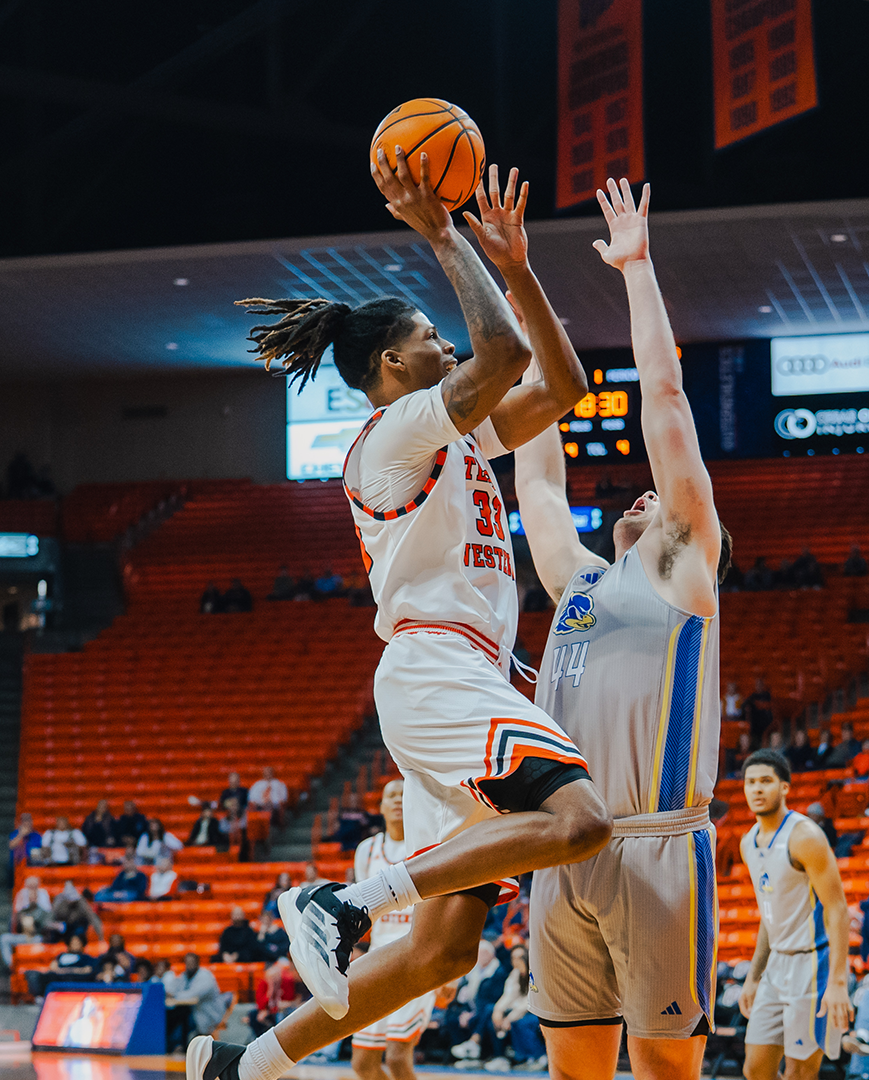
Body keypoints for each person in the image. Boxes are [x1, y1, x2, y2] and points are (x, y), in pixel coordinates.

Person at [192, 162, 612, 1080]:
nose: (449, 348)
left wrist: (520, 269)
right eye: (431, 338)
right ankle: (344, 901)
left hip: (463, 678)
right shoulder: (394, 436)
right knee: (582, 823)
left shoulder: (453, 434)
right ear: (393, 366)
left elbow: (562, 386)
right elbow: (500, 357)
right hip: (438, 672)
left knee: (443, 953)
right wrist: (443, 237)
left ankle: (244, 1065)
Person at [514, 180, 733, 1080]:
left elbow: (667, 405)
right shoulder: (577, 582)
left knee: (664, 1071)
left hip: (655, 844)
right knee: (574, 1071)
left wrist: (637, 270)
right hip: (562, 846)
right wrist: (518, 286)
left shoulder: (682, 569)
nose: (643, 494)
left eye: (658, 494)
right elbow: (537, 477)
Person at [738, 750, 854, 1080]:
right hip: (776, 965)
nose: (757, 789)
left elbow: (838, 909)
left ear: (785, 787)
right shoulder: (749, 843)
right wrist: (754, 976)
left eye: (765, 782)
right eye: (750, 783)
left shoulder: (805, 837)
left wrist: (838, 982)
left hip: (813, 966)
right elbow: (769, 916)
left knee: (800, 1072)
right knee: (755, 1069)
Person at [346, 779, 435, 1075]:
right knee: (363, 1063)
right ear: (381, 807)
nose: (398, 800)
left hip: (418, 958)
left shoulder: (428, 844)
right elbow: (363, 909)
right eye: (391, 796)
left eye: (403, 794)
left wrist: (449, 977)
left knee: (397, 1057)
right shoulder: (366, 850)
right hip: (378, 960)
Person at [165, 952, 225, 1052]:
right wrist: (171, 993)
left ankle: (180, 1046)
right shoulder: (185, 976)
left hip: (209, 1014)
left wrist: (175, 995)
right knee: (173, 1015)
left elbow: (193, 995)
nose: (189, 965)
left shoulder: (206, 976)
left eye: (192, 962)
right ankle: (173, 1046)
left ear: (197, 963)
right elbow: (175, 988)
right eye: (187, 963)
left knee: (180, 1015)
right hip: (194, 1012)